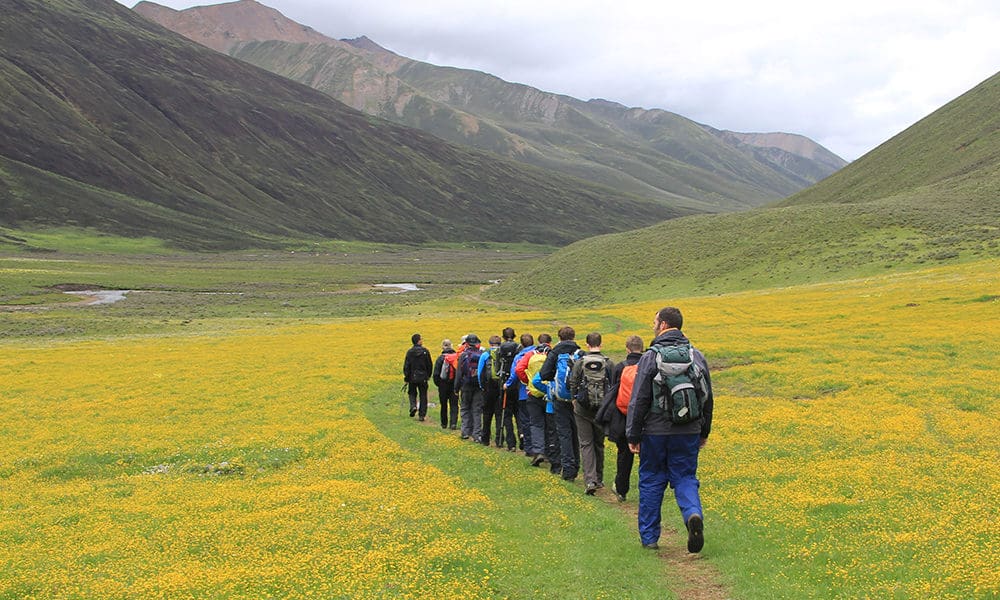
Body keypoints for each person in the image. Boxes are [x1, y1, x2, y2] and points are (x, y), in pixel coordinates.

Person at [626, 307, 714, 553]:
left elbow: (639, 398)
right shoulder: (696, 355)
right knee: (685, 477)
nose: (653, 325)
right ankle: (692, 514)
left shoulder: (650, 356)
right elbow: (707, 397)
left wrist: (632, 434)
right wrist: (703, 431)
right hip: (688, 431)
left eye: (655, 321)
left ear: (663, 325)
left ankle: (650, 538)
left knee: (652, 480)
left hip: (655, 431)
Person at [595, 334, 643, 502]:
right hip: (644, 417)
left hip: (623, 417)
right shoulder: (648, 365)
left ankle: (621, 489)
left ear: (627, 348)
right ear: (642, 348)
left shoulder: (620, 366)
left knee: (624, 454)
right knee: (645, 455)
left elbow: (615, 390)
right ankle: (647, 491)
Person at [569, 332, 613, 495]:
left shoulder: (580, 362)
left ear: (587, 344)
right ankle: (599, 478)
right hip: (602, 410)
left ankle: (590, 480)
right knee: (599, 443)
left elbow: (573, 383)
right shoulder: (608, 363)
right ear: (600, 344)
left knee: (586, 443)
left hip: (582, 409)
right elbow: (614, 385)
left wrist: (574, 400)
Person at [538, 326, 581, 481]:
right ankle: (577, 464)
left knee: (564, 433)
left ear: (559, 337)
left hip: (559, 399)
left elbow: (544, 374)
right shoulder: (579, 353)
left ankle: (568, 470)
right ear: (573, 336)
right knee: (576, 433)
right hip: (576, 400)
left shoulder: (555, 353)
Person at [518, 334, 552, 468]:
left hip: (533, 393)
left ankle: (538, 451)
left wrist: (528, 382)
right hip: (549, 393)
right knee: (550, 423)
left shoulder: (529, 355)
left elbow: (519, 369)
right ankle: (551, 452)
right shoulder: (552, 354)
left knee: (536, 423)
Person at [504, 332, 534, 455]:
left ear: (521, 344)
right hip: (540, 392)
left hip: (523, 392)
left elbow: (515, 373)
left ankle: (529, 447)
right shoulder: (541, 353)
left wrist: (507, 384)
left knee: (526, 420)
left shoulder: (519, 356)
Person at [454, 334, 484, 441]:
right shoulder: (482, 355)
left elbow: (459, 373)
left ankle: (465, 432)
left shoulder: (463, 355)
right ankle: (477, 434)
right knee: (477, 410)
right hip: (478, 386)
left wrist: (456, 388)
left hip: (466, 385)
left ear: (466, 343)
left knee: (465, 408)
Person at [496, 328, 521, 451]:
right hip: (517, 384)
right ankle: (523, 440)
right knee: (519, 413)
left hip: (505, 383)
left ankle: (511, 443)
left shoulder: (501, 348)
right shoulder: (518, 347)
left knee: (506, 414)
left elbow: (497, 368)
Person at [478, 335, 503, 446]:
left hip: (488, 388)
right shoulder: (502, 353)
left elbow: (479, 373)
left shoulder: (485, 354)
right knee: (499, 414)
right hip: (500, 387)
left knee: (487, 414)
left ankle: (485, 439)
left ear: (490, 343)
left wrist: (482, 386)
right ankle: (499, 439)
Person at [402, 333, 433, 421]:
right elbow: (429, 364)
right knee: (423, 395)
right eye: (421, 339)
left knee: (412, 393)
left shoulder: (410, 352)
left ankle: (413, 406)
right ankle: (422, 415)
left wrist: (406, 377)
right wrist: (428, 375)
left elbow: (407, 365)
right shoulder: (425, 351)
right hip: (423, 377)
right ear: (418, 341)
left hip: (412, 377)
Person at [432, 339, 460, 429]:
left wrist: (439, 384)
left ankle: (444, 423)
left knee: (443, 405)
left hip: (443, 385)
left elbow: (436, 374)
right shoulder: (456, 357)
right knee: (454, 405)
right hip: (454, 384)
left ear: (443, 346)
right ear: (451, 346)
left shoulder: (440, 358)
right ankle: (453, 423)